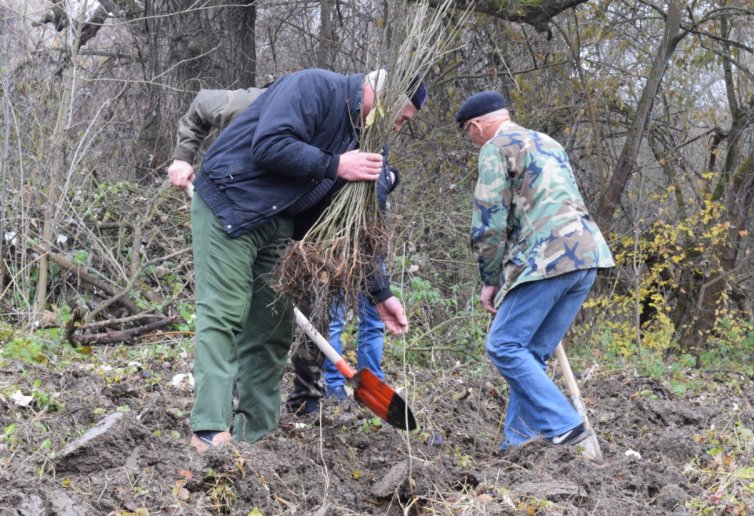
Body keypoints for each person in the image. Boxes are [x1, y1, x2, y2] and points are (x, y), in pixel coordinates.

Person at [180, 68, 426, 452]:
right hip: (230, 205)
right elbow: (269, 144)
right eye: (403, 115)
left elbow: (364, 220)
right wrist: (335, 165)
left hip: (279, 222)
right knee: (225, 314)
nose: (400, 125)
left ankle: (255, 437)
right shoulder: (312, 87)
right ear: (384, 96)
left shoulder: (370, 139)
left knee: (272, 329)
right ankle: (209, 430)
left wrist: (380, 292)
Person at [455, 91, 614, 450]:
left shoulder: (495, 148)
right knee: (530, 354)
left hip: (547, 258)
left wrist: (490, 280)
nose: (472, 139)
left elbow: (490, 222)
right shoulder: (548, 142)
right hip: (587, 254)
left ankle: (565, 424)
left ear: (477, 126)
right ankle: (518, 444)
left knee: (503, 345)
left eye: (469, 132)